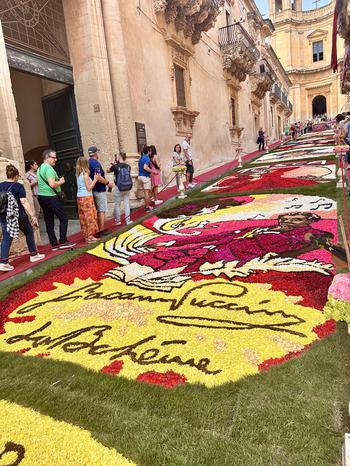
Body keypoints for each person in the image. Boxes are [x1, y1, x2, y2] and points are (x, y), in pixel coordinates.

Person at [0, 164, 45, 272]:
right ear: (15, 176)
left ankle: (3, 262)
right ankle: (34, 255)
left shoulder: (0, 185)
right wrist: (32, 215)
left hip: (4, 215)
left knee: (6, 238)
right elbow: (24, 201)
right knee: (29, 231)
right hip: (18, 214)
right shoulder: (18, 186)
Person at [37, 149, 75, 251]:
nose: (56, 160)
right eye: (54, 157)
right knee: (63, 218)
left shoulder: (40, 168)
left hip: (41, 196)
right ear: (47, 158)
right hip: (50, 196)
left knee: (49, 221)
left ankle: (54, 244)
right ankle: (63, 241)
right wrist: (61, 181)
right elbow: (52, 184)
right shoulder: (48, 168)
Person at [88, 146, 112, 234]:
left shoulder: (87, 163)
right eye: (97, 152)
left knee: (96, 210)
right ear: (95, 153)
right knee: (101, 210)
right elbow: (98, 177)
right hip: (99, 190)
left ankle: (97, 229)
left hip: (92, 189)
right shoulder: (96, 164)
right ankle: (101, 230)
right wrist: (108, 183)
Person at [75, 156, 99, 243]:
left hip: (80, 197)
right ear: (86, 164)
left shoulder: (78, 174)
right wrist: (95, 179)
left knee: (83, 217)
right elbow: (89, 188)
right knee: (89, 217)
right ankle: (90, 236)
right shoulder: (85, 174)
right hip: (86, 197)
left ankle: (87, 236)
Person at [108, 152, 132, 225]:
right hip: (127, 187)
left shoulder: (115, 166)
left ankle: (118, 221)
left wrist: (113, 164)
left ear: (119, 157)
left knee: (117, 204)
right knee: (126, 204)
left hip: (118, 187)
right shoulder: (128, 166)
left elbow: (107, 170)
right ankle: (128, 221)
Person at [138, 145, 153, 212]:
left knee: (145, 192)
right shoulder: (147, 158)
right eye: (150, 151)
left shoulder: (141, 158)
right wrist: (152, 171)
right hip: (145, 177)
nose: (151, 152)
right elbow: (145, 167)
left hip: (140, 176)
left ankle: (146, 205)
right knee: (147, 193)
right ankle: (147, 207)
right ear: (148, 151)